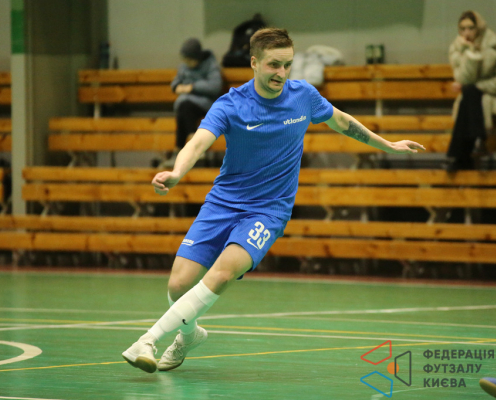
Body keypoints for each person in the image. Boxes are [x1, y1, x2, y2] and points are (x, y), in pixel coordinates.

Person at [122, 28, 425, 374]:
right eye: (273, 65)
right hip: (223, 203)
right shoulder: (231, 104)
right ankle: (189, 336)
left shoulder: (303, 96)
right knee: (178, 285)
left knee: (222, 274)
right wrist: (177, 173)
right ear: (254, 63)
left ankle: (148, 339)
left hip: (267, 211)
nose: (281, 73)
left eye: (287, 65)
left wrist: (388, 144)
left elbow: (342, 122)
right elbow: (198, 143)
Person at [446, 10, 496, 172]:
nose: (466, 33)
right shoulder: (458, 48)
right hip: (473, 98)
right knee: (469, 94)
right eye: (462, 29)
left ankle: (459, 157)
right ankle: (477, 139)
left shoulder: (492, 45)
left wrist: (476, 86)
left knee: (470, 93)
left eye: (470, 28)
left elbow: (470, 82)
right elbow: (464, 78)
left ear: (478, 28)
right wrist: (470, 51)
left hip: (491, 93)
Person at [161, 38, 222, 168]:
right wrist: (177, 87)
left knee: (184, 107)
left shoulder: (210, 65)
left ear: (197, 57)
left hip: (206, 103)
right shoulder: (184, 67)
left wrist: (192, 87)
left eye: (190, 60)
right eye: (185, 60)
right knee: (183, 110)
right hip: (187, 105)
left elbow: (215, 86)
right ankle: (187, 150)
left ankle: (184, 150)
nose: (187, 63)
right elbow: (175, 82)